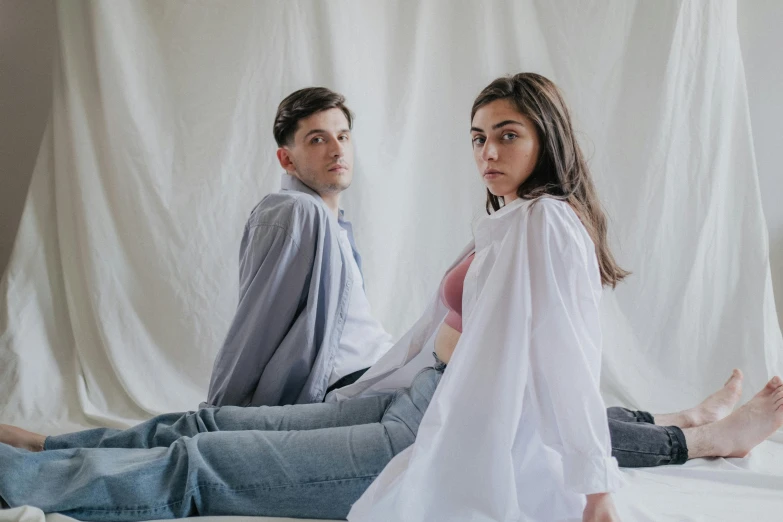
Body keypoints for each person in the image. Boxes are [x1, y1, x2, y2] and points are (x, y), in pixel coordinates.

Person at [2, 73, 783, 521]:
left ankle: (17, 480)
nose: (487, 151)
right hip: (405, 397)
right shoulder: (510, 219)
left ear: (546, 135)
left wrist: (595, 489)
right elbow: (433, 334)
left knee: (200, 463)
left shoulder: (547, 223)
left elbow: (565, 367)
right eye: (477, 136)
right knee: (208, 424)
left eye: (506, 133)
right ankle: (45, 448)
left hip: (422, 431)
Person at [205, 87, 394, 407]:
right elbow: (256, 325)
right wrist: (221, 413)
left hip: (383, 368)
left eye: (343, 137)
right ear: (286, 159)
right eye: (318, 140)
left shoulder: (335, 225)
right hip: (351, 384)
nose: (337, 150)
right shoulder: (294, 211)